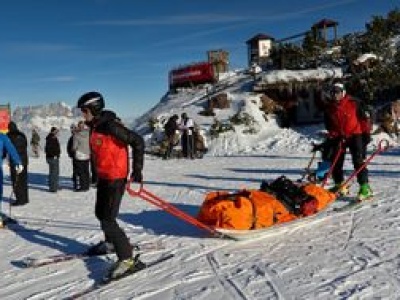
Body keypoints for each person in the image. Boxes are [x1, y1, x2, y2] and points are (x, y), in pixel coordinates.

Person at [77, 91, 145, 280]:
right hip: (105, 177)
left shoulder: (110, 126)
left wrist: (137, 170)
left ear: (94, 108)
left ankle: (127, 258)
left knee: (108, 218)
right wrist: (95, 174)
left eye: (84, 110)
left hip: (116, 177)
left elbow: (137, 141)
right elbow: (97, 152)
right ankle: (110, 243)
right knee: (100, 213)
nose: (82, 114)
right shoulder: (95, 126)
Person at [324, 82, 372, 200]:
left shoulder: (354, 103)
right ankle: (340, 185)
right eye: (333, 93)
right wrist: (332, 135)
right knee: (336, 161)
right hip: (339, 136)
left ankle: (365, 187)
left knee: (358, 160)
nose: (335, 95)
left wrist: (366, 134)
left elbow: (364, 119)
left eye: (338, 92)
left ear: (343, 92)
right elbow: (329, 125)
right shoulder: (330, 108)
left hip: (356, 135)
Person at [7, 122, 29, 206]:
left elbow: (6, 148)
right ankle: (25, 199)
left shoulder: (9, 136)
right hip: (24, 161)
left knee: (16, 181)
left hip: (15, 162)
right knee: (23, 180)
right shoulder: (22, 135)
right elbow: (26, 145)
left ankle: (19, 200)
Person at [0, 133, 23, 204]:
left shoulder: (2, 137)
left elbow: (11, 150)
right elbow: (11, 150)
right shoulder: (2, 137)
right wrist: (18, 162)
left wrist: (18, 162)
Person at [72, 121, 91, 191]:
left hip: (79, 154)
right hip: (87, 154)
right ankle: (87, 185)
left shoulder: (76, 135)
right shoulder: (88, 134)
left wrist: (74, 150)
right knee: (86, 171)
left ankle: (83, 187)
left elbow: (74, 146)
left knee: (81, 172)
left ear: (78, 127)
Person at [44, 127, 61, 192]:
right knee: (54, 173)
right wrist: (54, 155)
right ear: (53, 132)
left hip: (52, 157)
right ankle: (53, 188)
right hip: (52, 158)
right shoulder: (51, 138)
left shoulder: (52, 138)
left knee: (53, 173)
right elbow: (48, 149)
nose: (57, 133)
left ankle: (54, 186)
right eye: (56, 132)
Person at [67, 124, 78, 190]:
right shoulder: (71, 138)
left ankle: (78, 182)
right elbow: (68, 147)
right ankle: (75, 182)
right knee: (75, 169)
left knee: (79, 169)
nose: (73, 130)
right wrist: (70, 154)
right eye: (72, 129)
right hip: (75, 156)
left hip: (80, 156)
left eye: (74, 129)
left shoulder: (78, 136)